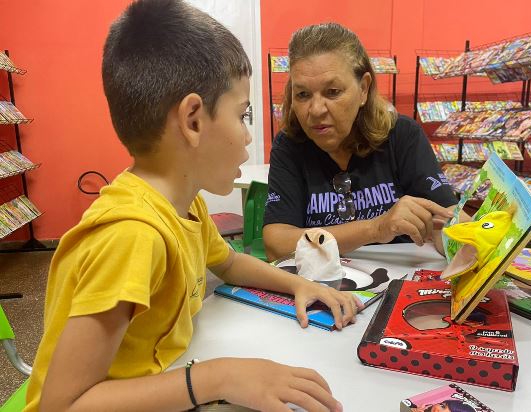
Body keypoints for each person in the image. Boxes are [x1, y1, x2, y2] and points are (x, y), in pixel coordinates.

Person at [24, 2, 360, 411]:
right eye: (243, 114)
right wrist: (217, 377)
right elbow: (61, 406)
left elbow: (230, 264)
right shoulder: (132, 237)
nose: (249, 137)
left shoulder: (185, 207)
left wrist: (300, 284)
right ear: (194, 120)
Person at [263, 23, 459, 261]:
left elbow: (446, 221)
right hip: (324, 286)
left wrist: (469, 239)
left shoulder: (402, 135)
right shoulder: (290, 145)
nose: (315, 110)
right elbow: (276, 243)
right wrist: (376, 228)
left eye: (333, 91)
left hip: (400, 285)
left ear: (363, 89)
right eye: (302, 94)